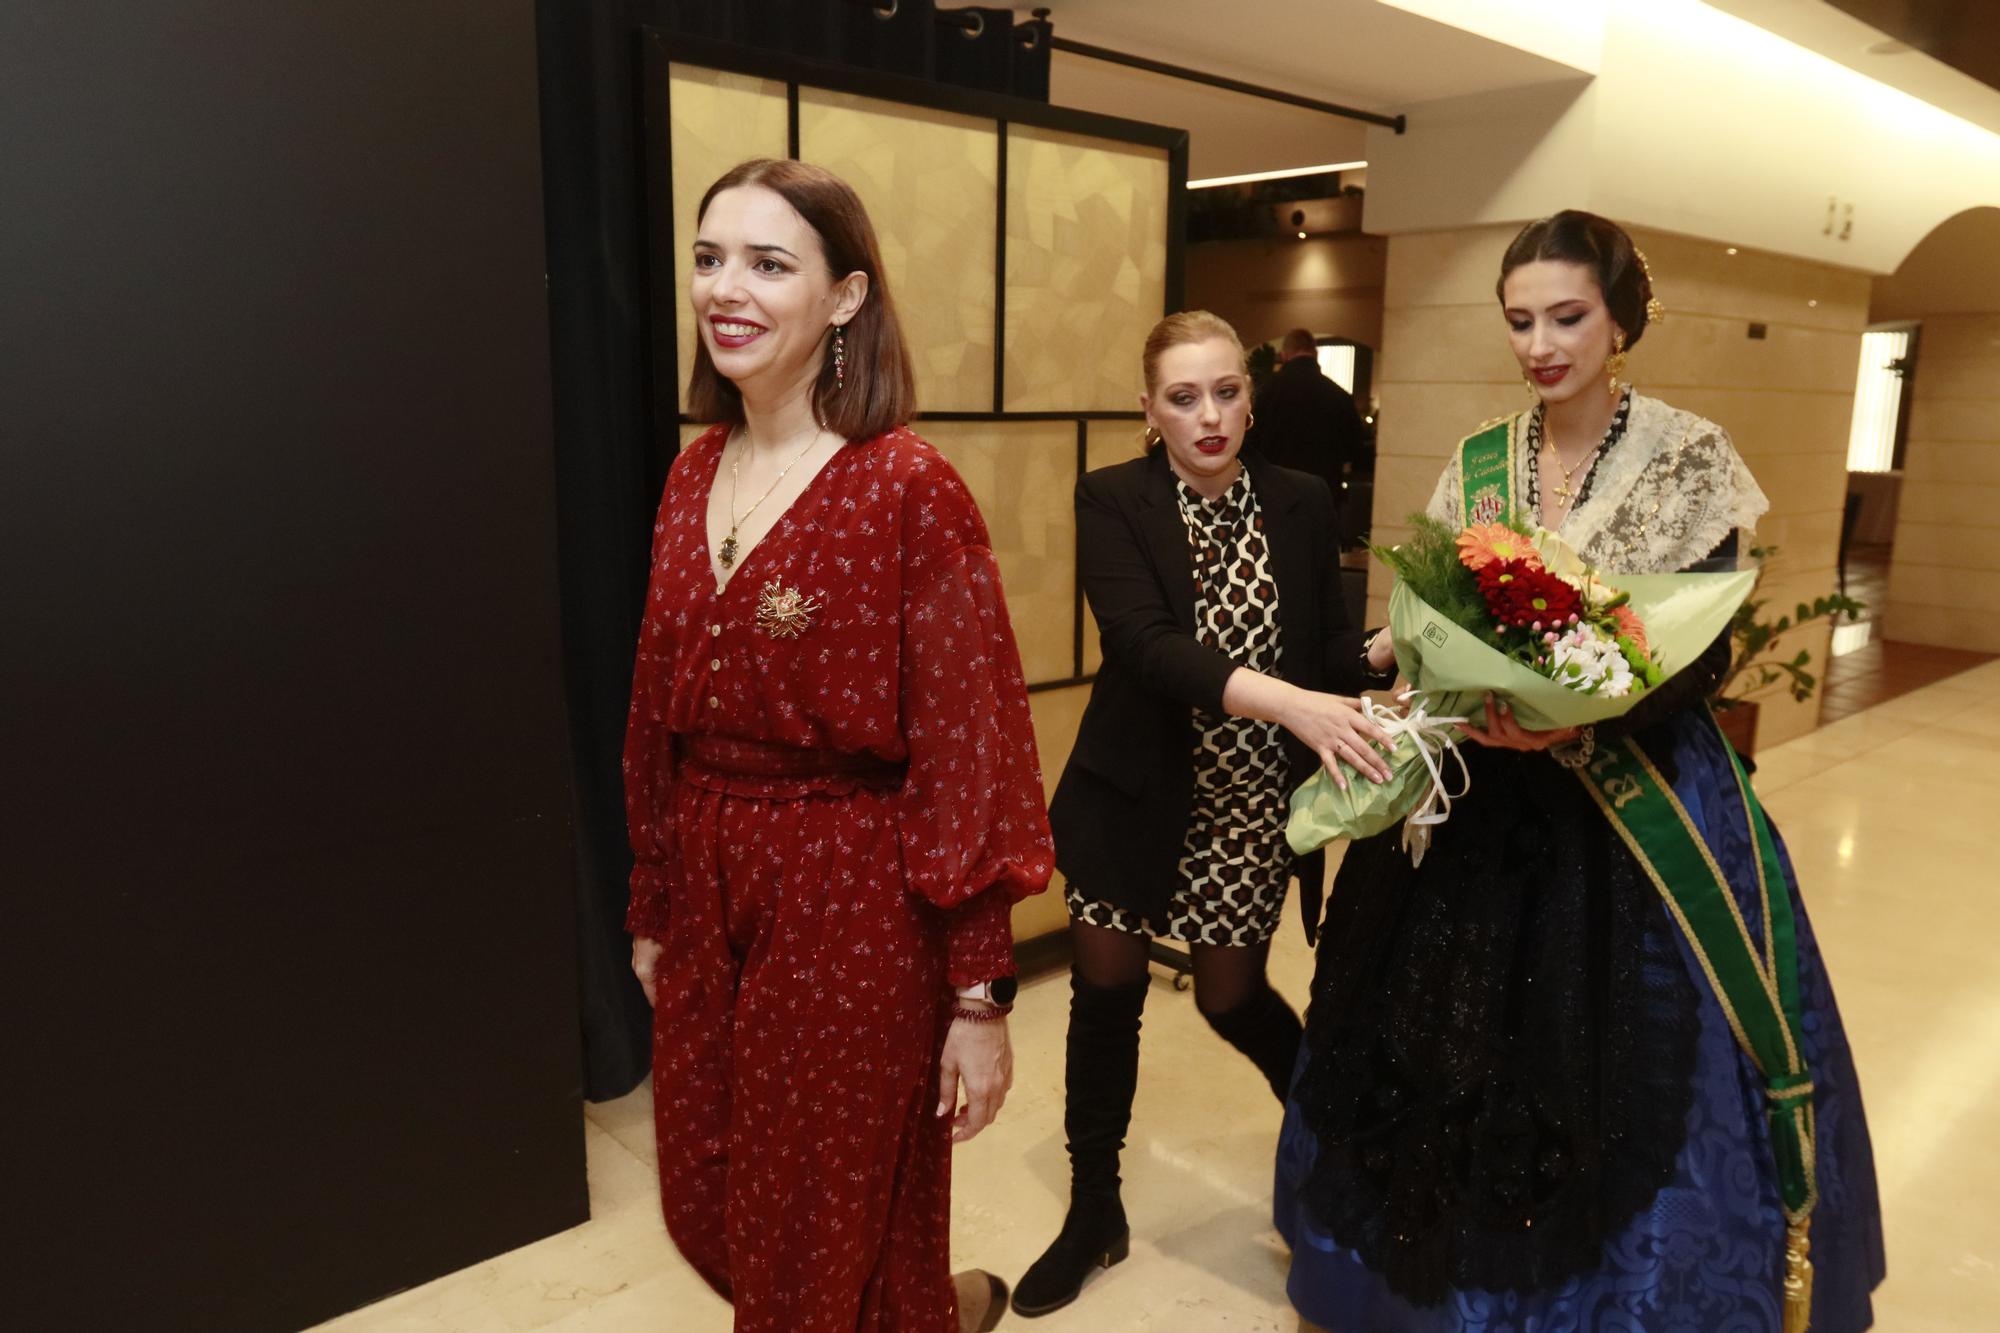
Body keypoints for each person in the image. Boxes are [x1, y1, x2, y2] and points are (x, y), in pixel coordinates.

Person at [1276, 211, 1885, 1332]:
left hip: (1629, 793)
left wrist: (1574, 722)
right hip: (1483, 796)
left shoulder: (1688, 458)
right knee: (1435, 1049)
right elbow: (1438, 607)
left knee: (1619, 1063)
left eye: (1566, 316)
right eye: (1519, 320)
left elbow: (1699, 649)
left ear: (1618, 319)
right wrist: (1419, 663)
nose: (1540, 342)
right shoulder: (1478, 461)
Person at [622, 158, 1053, 1333]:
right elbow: (654, 705)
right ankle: (923, 1313)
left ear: (846, 298)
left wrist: (977, 990)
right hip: (711, 882)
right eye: (710, 257)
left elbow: (973, 751)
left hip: (849, 891)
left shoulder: (908, 489)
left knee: (809, 1228)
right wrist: (657, 895)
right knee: (708, 1195)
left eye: (770, 263)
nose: (727, 288)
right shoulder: (689, 471)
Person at [1013, 310, 1400, 1319]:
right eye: (1183, 398)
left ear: (1250, 392)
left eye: (1225, 390)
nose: (1209, 415)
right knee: (1105, 991)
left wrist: (1383, 653)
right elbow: (1145, 648)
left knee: (1231, 996)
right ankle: (1093, 1207)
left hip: (1243, 805)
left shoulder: (1301, 500)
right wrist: (1294, 701)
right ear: (1149, 412)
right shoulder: (1114, 499)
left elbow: (1321, 648)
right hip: (1133, 792)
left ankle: (1335, 1147)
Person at [1245, 327, 1368, 502]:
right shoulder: (1339, 396)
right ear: (1315, 354)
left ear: (1285, 355)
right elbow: (1354, 449)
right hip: (1324, 496)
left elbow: (1250, 443)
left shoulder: (1266, 392)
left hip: (1273, 495)